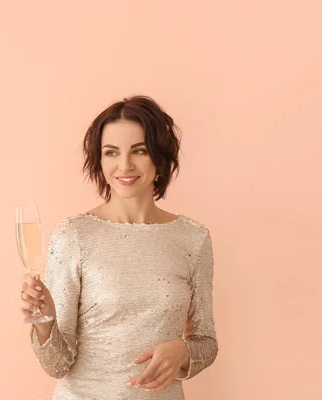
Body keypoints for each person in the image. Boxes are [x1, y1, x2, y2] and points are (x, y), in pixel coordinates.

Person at [19, 95, 218, 399]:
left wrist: (183, 350)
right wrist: (45, 323)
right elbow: (57, 364)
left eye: (139, 151)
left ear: (160, 157)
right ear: (99, 161)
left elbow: (206, 342)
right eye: (111, 152)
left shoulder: (193, 239)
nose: (124, 165)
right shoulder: (74, 235)